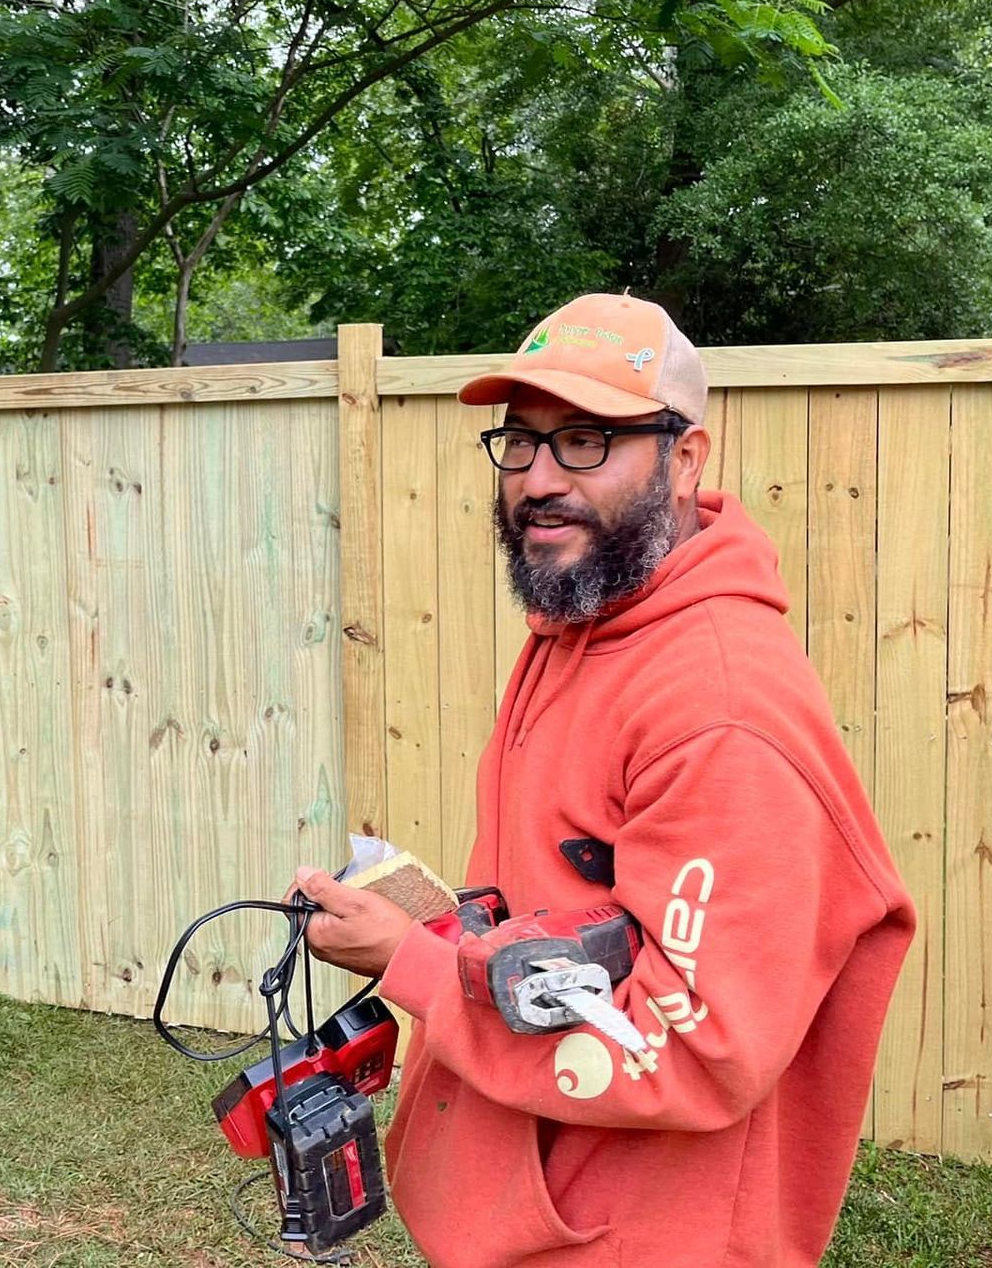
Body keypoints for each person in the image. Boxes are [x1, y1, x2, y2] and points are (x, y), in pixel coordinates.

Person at [292, 293, 915, 1267]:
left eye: (586, 441)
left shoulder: (720, 706)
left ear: (686, 459)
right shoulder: (575, 628)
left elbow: (699, 1051)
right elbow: (564, 907)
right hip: (528, 1220)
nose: (539, 478)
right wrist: (424, 923)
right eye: (522, 442)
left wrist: (410, 967)